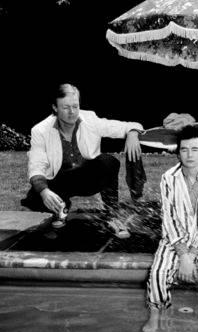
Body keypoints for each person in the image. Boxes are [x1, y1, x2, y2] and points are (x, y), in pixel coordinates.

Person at [22, 83, 145, 237]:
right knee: (35, 196)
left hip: (87, 178)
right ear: (55, 107)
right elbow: (36, 165)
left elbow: (123, 126)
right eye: (66, 107)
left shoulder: (90, 119)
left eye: (75, 106)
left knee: (108, 162)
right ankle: (61, 208)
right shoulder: (40, 130)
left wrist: (133, 133)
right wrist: (44, 191)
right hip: (60, 181)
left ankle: (112, 215)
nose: (72, 112)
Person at [142, 124, 198, 332]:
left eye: (194, 149)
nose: (189, 155)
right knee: (157, 273)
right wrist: (183, 253)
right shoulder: (168, 178)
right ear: (178, 152)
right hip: (175, 238)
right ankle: (155, 313)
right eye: (184, 150)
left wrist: (191, 254)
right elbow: (169, 218)